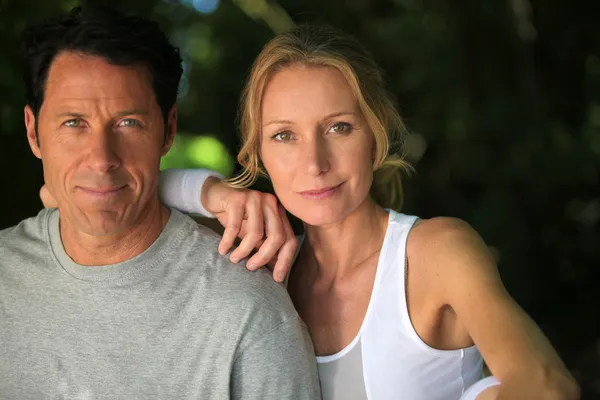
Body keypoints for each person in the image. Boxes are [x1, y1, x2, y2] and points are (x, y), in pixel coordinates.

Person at [153, 24, 581, 399]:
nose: (315, 164)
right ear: (259, 153)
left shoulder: (433, 252)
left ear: (375, 136)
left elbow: (547, 387)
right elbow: (122, 192)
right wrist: (216, 195)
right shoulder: (260, 264)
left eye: (339, 127)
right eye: (285, 135)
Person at [0, 8, 320, 399]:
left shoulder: (247, 313)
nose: (101, 159)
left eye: (128, 123)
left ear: (167, 131)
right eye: (73, 123)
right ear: (34, 132)